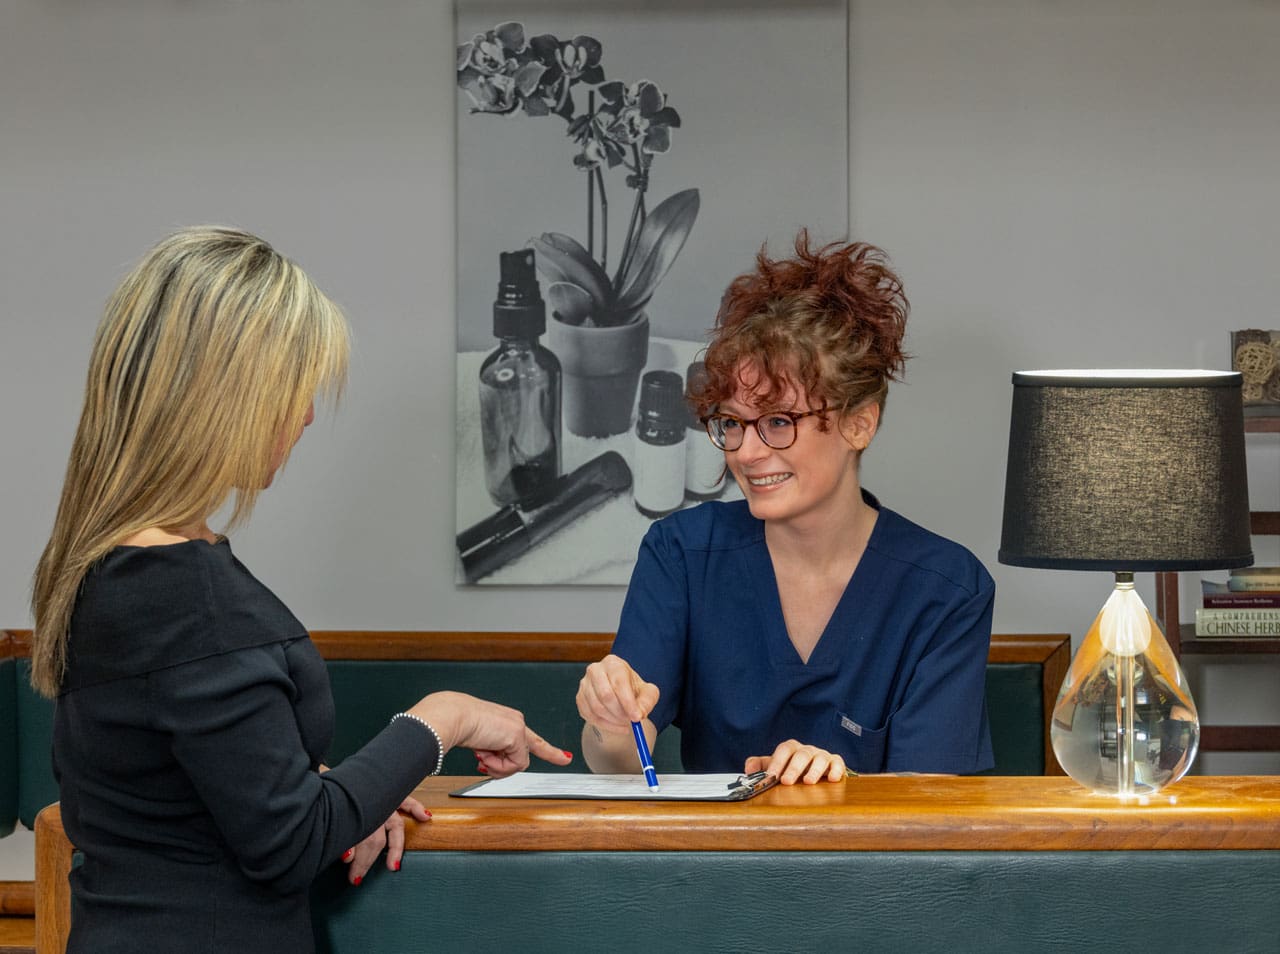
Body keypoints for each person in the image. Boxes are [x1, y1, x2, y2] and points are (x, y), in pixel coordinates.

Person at [29, 227, 572, 953]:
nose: (308, 414)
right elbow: (288, 843)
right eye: (296, 389)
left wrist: (351, 795)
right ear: (224, 395)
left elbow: (197, 787)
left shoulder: (111, 566)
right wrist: (446, 719)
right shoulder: (188, 595)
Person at [577, 231, 995, 784]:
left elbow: (934, 802)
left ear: (858, 423)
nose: (746, 453)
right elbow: (622, 760)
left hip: (875, 871)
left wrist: (841, 786)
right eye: (731, 423)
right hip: (709, 866)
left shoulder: (947, 587)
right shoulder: (680, 554)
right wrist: (609, 719)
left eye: (777, 421)